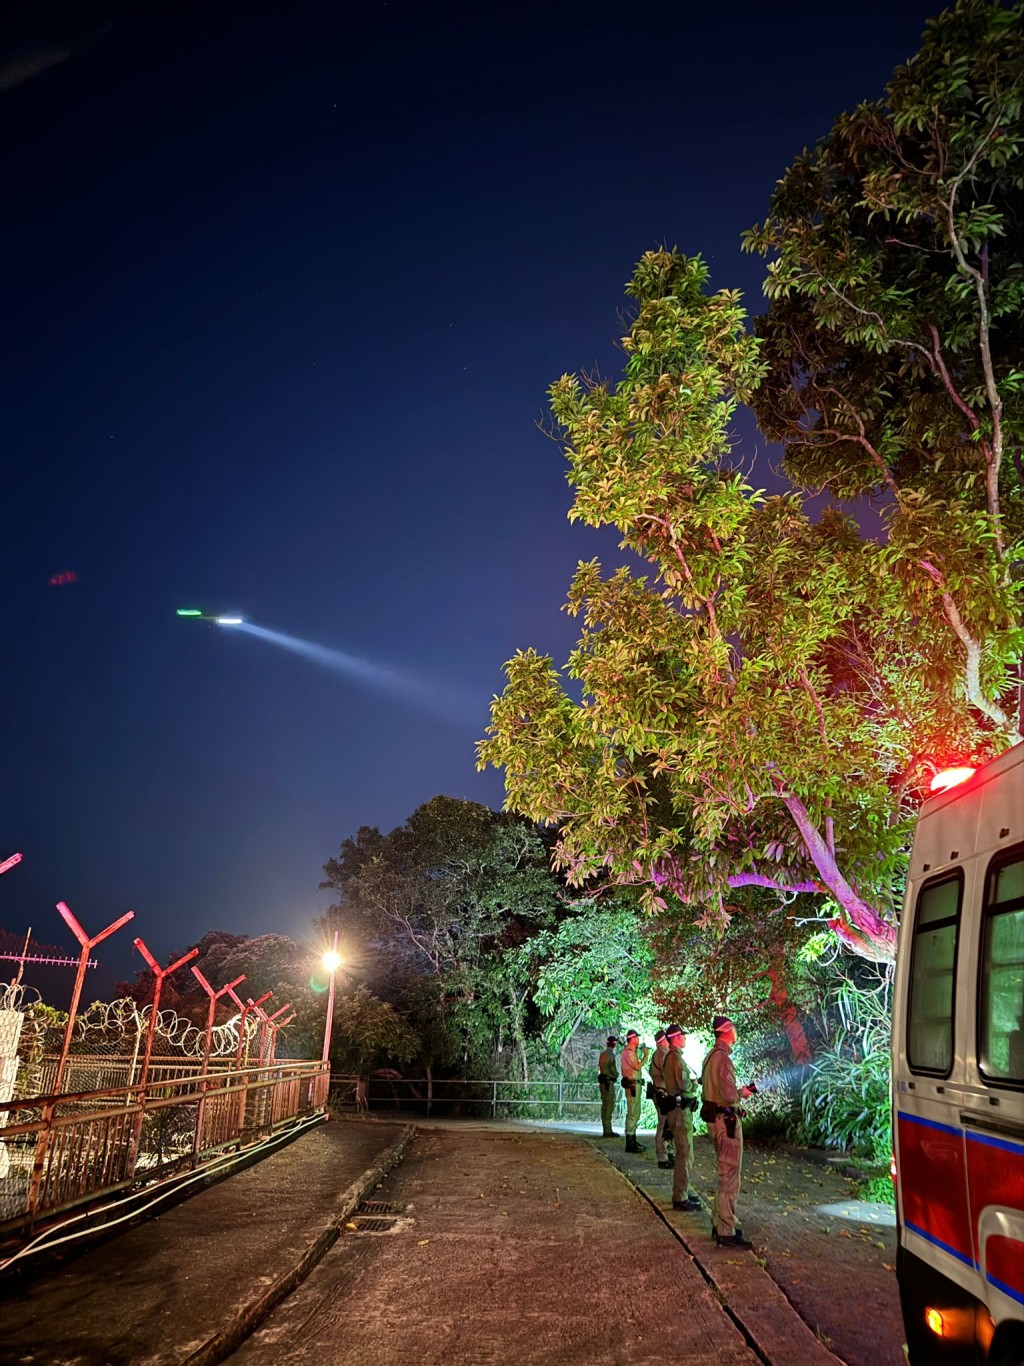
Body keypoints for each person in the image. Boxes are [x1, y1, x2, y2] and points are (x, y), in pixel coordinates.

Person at [701, 1014, 753, 1248]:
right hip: (727, 1123)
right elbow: (729, 1095)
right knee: (730, 1176)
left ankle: (719, 1222)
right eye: (734, 1029)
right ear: (728, 1031)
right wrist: (743, 1093)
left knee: (724, 1174)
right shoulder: (723, 1059)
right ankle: (726, 1230)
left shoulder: (710, 1056)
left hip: (715, 1122)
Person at [662, 1024, 701, 1210]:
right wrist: (694, 1085)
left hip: (677, 1110)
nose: (685, 1039)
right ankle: (680, 1197)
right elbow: (683, 1084)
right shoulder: (675, 1059)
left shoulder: (672, 1057)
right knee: (684, 1154)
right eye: (682, 1036)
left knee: (684, 1154)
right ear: (675, 1038)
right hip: (679, 1112)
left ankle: (683, 1192)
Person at [649, 1028, 674, 1169]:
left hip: (661, 1092)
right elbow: (668, 1075)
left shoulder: (659, 1053)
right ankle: (663, 1156)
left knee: (667, 1124)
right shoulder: (662, 1055)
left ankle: (667, 1153)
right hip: (663, 1093)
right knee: (663, 1124)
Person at [620, 1028, 648, 1152]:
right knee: (633, 1112)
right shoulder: (629, 1052)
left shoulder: (632, 1052)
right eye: (636, 1037)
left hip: (634, 1084)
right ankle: (630, 1142)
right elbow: (636, 1067)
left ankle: (632, 1139)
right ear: (632, 1038)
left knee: (635, 1112)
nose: (638, 1040)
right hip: (632, 1085)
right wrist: (646, 1056)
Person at [597, 1035, 619, 1137]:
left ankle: (605, 1128)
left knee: (604, 1105)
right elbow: (612, 1070)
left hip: (602, 1082)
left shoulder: (602, 1055)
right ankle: (608, 1130)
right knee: (609, 1105)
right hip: (608, 1082)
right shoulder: (611, 1056)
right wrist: (616, 1075)